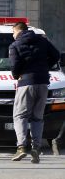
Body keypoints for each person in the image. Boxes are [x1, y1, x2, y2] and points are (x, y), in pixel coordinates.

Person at [9, 22, 60, 164]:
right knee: (37, 117)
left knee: (20, 115)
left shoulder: (15, 45)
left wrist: (17, 75)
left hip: (26, 82)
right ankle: (36, 148)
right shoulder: (42, 41)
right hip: (43, 82)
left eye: (13, 33)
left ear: (17, 31)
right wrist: (45, 67)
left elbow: (14, 66)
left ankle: (21, 147)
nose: (12, 36)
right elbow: (56, 55)